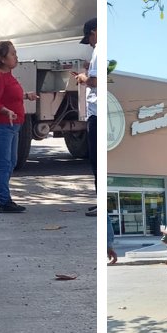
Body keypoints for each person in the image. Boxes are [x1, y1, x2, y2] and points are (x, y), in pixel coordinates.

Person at [0, 41, 37, 213]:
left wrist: (26, 96)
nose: (16, 57)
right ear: (2, 58)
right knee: (4, 163)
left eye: (15, 53)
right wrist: (5, 111)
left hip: (13, 126)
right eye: (13, 54)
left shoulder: (8, 75)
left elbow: (10, 94)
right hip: (1, 127)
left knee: (12, 162)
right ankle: (4, 202)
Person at [75, 18, 98, 217]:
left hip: (96, 114)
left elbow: (96, 81)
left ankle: (100, 203)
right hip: (95, 112)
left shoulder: (100, 48)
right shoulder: (99, 52)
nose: (89, 43)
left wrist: (83, 78)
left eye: (89, 37)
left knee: (96, 159)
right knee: (94, 159)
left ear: (95, 31)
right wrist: (89, 65)